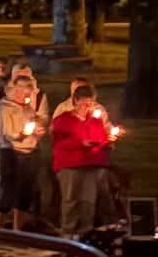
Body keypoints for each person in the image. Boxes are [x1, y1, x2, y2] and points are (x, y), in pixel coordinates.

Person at [49, 82, 115, 239]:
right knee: (71, 200)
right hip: (70, 165)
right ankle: (68, 233)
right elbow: (58, 142)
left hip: (91, 164)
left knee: (88, 201)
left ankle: (86, 233)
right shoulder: (63, 120)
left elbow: (100, 140)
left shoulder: (96, 121)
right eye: (85, 103)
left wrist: (108, 141)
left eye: (91, 103)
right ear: (76, 101)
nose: (88, 107)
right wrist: (80, 143)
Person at [0, 73, 49, 232]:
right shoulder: (5, 109)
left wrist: (37, 132)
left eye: (29, 94)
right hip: (11, 153)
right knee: (7, 190)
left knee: (24, 192)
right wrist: (23, 134)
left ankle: (18, 229)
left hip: (29, 152)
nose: (28, 97)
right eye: (25, 94)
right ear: (17, 91)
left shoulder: (27, 108)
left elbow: (33, 124)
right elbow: (8, 134)